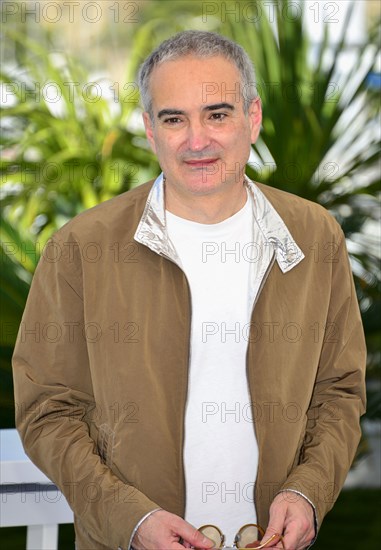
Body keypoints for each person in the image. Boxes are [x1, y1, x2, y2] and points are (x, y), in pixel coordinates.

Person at [12, 30, 366, 550]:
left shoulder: (313, 236)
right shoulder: (80, 248)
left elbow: (339, 390)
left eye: (217, 114)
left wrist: (309, 492)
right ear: (150, 131)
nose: (196, 141)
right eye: (174, 119)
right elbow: (47, 410)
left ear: (253, 117)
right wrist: (130, 520)